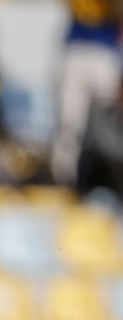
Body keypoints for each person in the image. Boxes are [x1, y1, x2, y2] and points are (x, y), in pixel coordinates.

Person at [52, 0, 123, 186]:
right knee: (70, 121)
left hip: (106, 49)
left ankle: (109, 180)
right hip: (77, 46)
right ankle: (65, 181)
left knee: (110, 122)